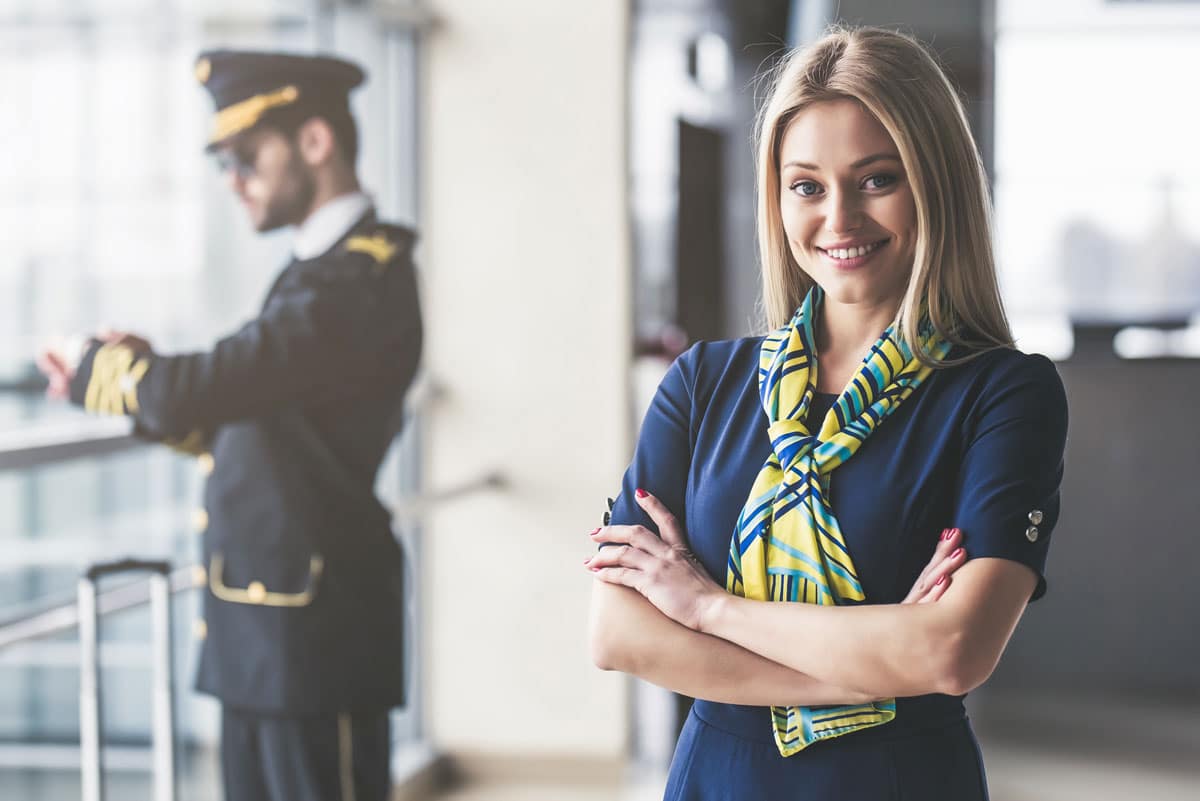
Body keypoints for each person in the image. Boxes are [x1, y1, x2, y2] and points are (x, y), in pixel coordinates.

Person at [585, 26, 1067, 800]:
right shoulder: (703, 385)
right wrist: (868, 670)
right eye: (806, 185)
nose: (838, 219)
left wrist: (705, 605)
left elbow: (950, 653)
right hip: (721, 778)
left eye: (876, 179)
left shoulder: (1004, 393)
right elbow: (619, 633)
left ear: (934, 181)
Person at [37, 50, 421, 801]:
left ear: (315, 142)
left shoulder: (356, 278)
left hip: (316, 631)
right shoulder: (318, 274)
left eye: (246, 156)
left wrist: (95, 368)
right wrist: (152, 387)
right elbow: (261, 414)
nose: (232, 180)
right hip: (267, 625)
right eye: (222, 163)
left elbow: (207, 386)